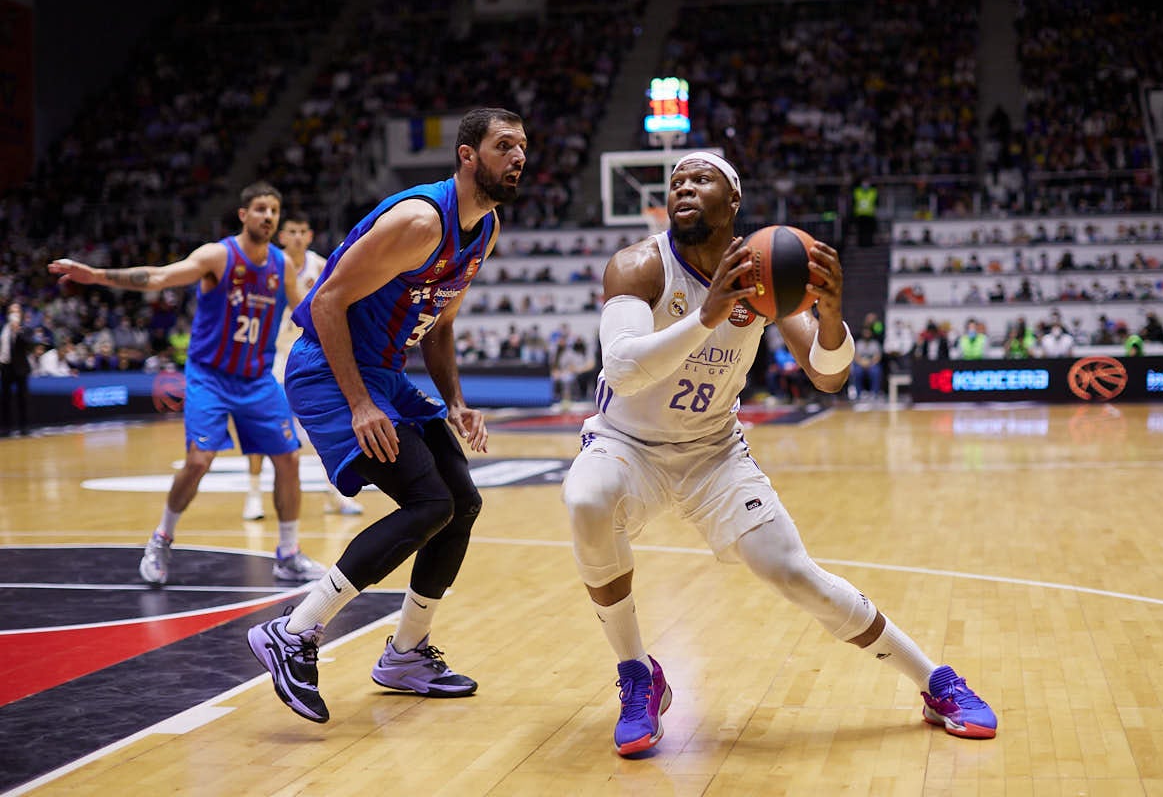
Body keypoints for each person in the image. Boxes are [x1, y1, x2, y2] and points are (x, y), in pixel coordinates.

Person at [561, 151, 995, 757]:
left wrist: (833, 315)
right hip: (627, 443)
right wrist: (708, 315)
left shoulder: (764, 267)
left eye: (700, 178)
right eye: (676, 180)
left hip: (713, 450)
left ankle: (934, 682)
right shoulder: (638, 267)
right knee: (585, 498)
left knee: (792, 572)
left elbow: (828, 376)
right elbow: (623, 370)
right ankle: (638, 675)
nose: (683, 186)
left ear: (732, 201)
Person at [246, 107, 527, 723]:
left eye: (522, 146)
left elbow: (441, 323)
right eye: (503, 145)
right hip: (329, 370)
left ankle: (405, 654)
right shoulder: (422, 221)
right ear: (467, 155)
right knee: (429, 503)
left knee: (461, 502)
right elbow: (326, 304)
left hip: (386, 375)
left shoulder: (487, 228)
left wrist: (455, 401)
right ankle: (293, 632)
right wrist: (359, 404)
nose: (518, 156)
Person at [48, 182, 325, 585]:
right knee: (198, 462)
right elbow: (159, 277)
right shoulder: (217, 255)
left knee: (289, 459)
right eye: (261, 209)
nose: (269, 216)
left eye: (274, 211)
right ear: (243, 214)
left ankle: (288, 553)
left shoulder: (281, 265)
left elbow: (306, 309)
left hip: (256, 378)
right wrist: (97, 276)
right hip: (210, 376)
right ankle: (162, 538)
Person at [243, 213, 364, 521]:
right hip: (271, 357)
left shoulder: (322, 266)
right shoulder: (265, 267)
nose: (297, 236)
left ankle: (334, 493)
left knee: (329, 425)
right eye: (291, 231)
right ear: (281, 237)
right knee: (261, 426)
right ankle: (253, 495)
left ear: (309, 236)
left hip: (308, 354)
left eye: (302, 231)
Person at [0, 302, 34, 436]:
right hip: (6, 367)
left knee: (22, 399)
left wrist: (17, 331)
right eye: (11, 312)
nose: (14, 314)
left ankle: (24, 427)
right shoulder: (3, 328)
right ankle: (6, 428)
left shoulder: (25, 329)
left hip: (20, 368)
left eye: (16, 311)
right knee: (5, 399)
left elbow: (29, 345)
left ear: (20, 314)